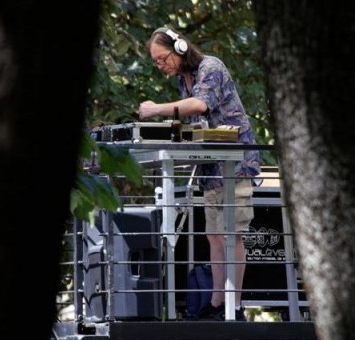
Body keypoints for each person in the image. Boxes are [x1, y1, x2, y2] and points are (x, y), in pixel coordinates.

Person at [138, 27, 261, 321]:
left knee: (232, 235)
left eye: (162, 58)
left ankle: (236, 307)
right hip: (211, 167)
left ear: (179, 48)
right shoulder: (184, 80)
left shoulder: (211, 67)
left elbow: (200, 104)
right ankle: (218, 304)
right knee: (214, 235)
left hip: (235, 164)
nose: (160, 66)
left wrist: (156, 110)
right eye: (155, 62)